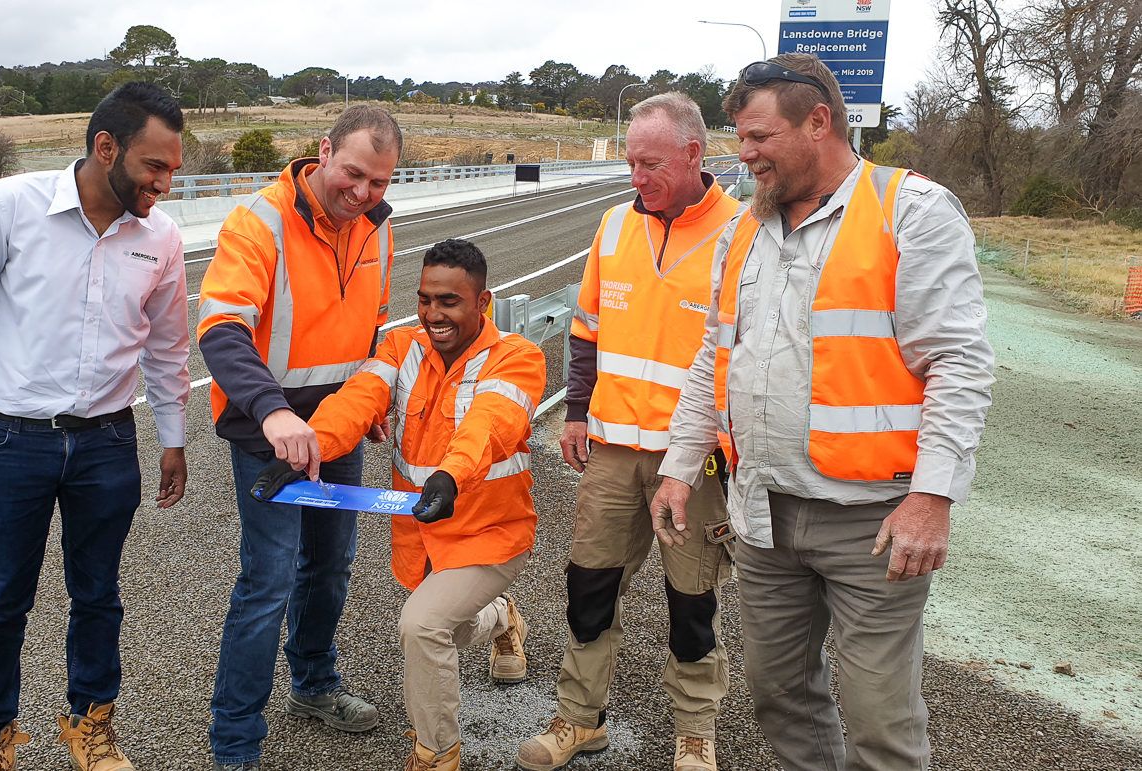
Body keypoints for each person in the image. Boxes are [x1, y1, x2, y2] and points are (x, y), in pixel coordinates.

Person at [651, 53, 995, 771]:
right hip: (763, 511)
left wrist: (931, 497)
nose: (743, 155)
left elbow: (958, 365)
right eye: (739, 138)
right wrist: (680, 468)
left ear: (819, 122)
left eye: (759, 138)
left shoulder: (911, 212)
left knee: (879, 717)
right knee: (777, 692)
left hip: (871, 520)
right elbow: (713, 362)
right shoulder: (744, 231)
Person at [0, 81, 191, 771]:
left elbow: (165, 348)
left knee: (98, 593)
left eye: (172, 168)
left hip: (107, 443)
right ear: (106, 148)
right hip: (14, 440)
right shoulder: (10, 206)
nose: (165, 181)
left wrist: (174, 437)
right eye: (154, 166)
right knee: (3, 597)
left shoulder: (160, 237)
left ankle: (90, 728)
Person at [252, 239, 546, 771]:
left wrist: (451, 475)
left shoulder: (518, 358)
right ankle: (501, 618)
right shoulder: (400, 347)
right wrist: (303, 450)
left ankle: (436, 753)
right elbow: (356, 401)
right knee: (448, 632)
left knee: (421, 627)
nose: (433, 313)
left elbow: (491, 423)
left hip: (489, 531)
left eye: (449, 301)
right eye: (425, 298)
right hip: (423, 532)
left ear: (483, 303)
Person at [516, 92, 743, 771]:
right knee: (589, 586)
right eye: (630, 162)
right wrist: (577, 410)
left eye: (649, 163)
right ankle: (580, 717)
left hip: (692, 457)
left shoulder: (741, 233)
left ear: (694, 155)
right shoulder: (615, 226)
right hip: (613, 447)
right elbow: (585, 330)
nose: (635, 177)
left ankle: (695, 729)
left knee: (692, 597)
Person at [196, 104, 403, 771]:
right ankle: (235, 740)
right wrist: (272, 412)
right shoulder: (260, 221)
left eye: (379, 182)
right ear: (323, 151)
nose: (364, 193)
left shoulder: (377, 228)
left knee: (331, 566)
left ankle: (313, 683)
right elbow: (222, 328)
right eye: (353, 174)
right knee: (269, 578)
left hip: (337, 429)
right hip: (270, 433)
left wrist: (371, 405)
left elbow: (372, 327)